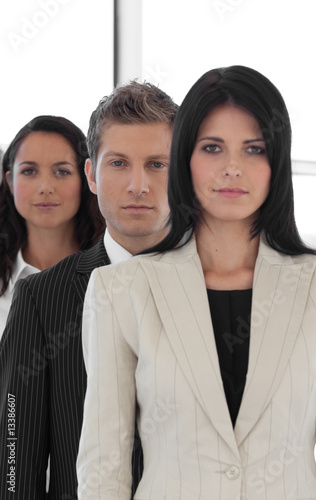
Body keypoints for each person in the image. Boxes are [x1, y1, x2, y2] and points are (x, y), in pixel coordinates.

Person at [77, 66, 316, 500]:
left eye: (254, 149)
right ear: (185, 158)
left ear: (276, 161)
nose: (232, 168)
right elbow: (103, 469)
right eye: (212, 148)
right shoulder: (122, 290)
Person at [0, 82, 178, 500]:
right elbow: (14, 463)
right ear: (91, 175)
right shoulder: (40, 298)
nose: (138, 185)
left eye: (157, 164)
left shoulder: (220, 286)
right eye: (118, 163)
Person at [0, 115, 105, 336]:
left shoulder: (112, 273)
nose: (46, 187)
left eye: (62, 171)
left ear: (87, 178)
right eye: (29, 171)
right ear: (10, 182)